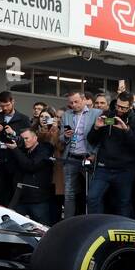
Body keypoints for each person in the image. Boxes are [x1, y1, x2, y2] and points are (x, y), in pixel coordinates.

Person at [85, 91, 135, 217]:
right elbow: (91, 140)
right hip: (103, 167)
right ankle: (97, 227)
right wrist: (96, 128)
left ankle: (122, 232)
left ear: (130, 106)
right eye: (118, 106)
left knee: (123, 203)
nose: (119, 110)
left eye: (123, 107)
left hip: (125, 169)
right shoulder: (107, 116)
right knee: (92, 198)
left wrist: (127, 130)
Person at [0, 91, 26, 205]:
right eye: (2, 106)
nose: (5, 108)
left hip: (15, 162)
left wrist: (14, 133)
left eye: (7, 105)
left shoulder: (23, 119)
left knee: (13, 195)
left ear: (13, 102)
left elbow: (26, 141)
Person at [59, 89, 95, 219]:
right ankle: (68, 222)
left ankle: (92, 220)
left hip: (88, 157)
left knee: (92, 192)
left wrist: (94, 154)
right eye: (71, 103)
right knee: (69, 193)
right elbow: (61, 138)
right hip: (71, 157)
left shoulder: (95, 113)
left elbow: (102, 138)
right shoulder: (66, 115)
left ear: (84, 99)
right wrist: (66, 136)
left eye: (76, 101)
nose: (74, 105)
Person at [9, 127, 54, 225]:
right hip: (21, 197)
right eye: (22, 139)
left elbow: (31, 166)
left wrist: (16, 150)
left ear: (35, 138)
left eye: (26, 138)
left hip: (38, 199)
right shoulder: (22, 150)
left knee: (42, 229)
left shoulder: (44, 150)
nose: (24, 141)